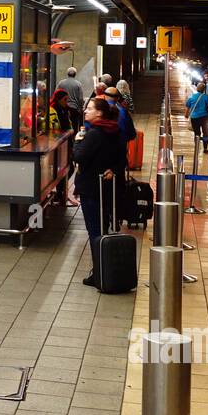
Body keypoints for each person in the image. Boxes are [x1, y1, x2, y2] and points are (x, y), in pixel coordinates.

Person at [73, 97, 128, 287]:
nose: (85, 110)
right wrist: (113, 169)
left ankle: (99, 273)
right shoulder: (115, 130)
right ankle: (105, 269)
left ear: (99, 113)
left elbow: (79, 157)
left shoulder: (94, 134)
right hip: (108, 189)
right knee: (103, 228)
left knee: (94, 230)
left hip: (91, 188)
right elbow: (123, 159)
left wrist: (77, 141)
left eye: (89, 108)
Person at [56, 66, 85, 134]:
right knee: (74, 127)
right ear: (75, 74)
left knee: (64, 127)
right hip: (74, 109)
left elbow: (56, 94)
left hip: (63, 109)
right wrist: (80, 109)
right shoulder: (78, 84)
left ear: (67, 74)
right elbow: (80, 99)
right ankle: (73, 141)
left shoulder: (61, 83)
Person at [186, 82, 208, 153]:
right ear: (204, 89)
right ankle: (205, 148)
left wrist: (186, 114)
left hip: (194, 118)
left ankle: (197, 147)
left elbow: (188, 107)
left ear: (197, 89)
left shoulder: (192, 97)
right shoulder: (206, 97)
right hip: (205, 117)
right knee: (205, 133)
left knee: (197, 133)